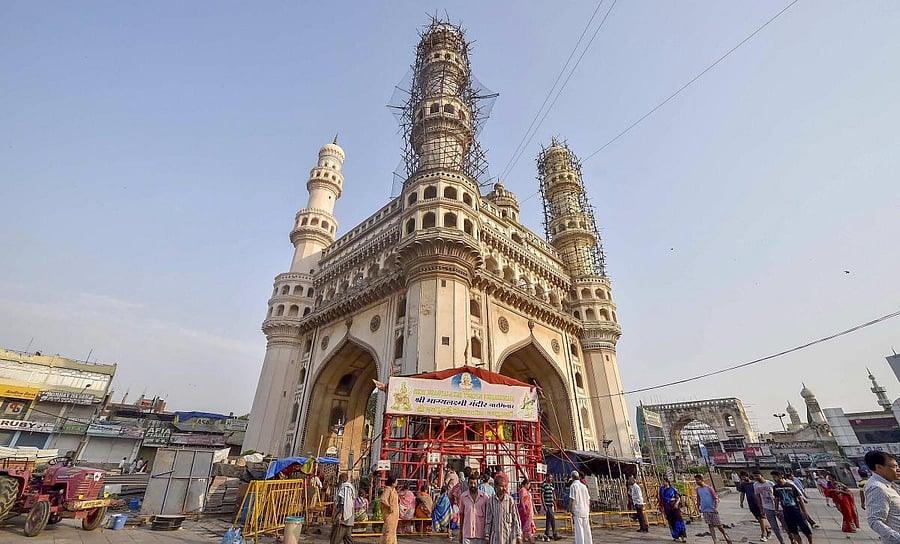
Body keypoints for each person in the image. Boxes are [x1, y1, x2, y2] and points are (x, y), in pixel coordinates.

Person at [863, 450, 900, 543]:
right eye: (894, 466)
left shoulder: (890, 485)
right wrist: (897, 538)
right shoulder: (877, 487)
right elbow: (874, 520)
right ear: (879, 467)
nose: (898, 469)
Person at [772, 471, 812, 544]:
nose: (774, 478)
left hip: (796, 511)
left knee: (806, 530)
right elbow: (776, 499)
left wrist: (804, 511)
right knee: (793, 531)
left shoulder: (791, 486)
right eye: (773, 477)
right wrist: (776, 510)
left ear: (781, 476)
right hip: (786, 512)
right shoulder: (776, 487)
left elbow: (799, 498)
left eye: (775, 477)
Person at [695, 474, 732, 544]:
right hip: (705, 509)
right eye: (696, 480)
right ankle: (715, 541)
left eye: (697, 480)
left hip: (712, 509)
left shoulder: (709, 488)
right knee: (710, 525)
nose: (696, 482)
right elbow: (698, 499)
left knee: (719, 525)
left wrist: (715, 508)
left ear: (701, 480)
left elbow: (716, 498)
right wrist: (698, 507)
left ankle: (725, 535)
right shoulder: (698, 489)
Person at [485, 472, 521, 544]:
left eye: (505, 486)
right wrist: (487, 536)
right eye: (501, 486)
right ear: (496, 486)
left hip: (509, 539)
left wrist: (518, 536)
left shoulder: (510, 501)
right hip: (495, 539)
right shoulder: (490, 501)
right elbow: (488, 521)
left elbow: (516, 519)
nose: (504, 489)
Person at [753, 471, 785, 544]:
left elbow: (777, 495)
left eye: (757, 476)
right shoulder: (756, 485)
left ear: (761, 475)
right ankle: (782, 541)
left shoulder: (770, 483)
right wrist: (761, 509)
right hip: (767, 508)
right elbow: (758, 497)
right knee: (774, 527)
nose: (756, 478)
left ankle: (792, 539)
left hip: (778, 507)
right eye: (755, 476)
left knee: (785, 525)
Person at [739, 471, 771, 542]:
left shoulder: (755, 484)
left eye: (744, 477)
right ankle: (768, 531)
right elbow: (742, 494)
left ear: (748, 476)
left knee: (761, 518)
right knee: (760, 520)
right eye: (742, 477)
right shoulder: (743, 485)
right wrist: (741, 502)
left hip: (759, 503)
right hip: (751, 504)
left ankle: (763, 534)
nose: (743, 478)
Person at [459, 474, 488, 544]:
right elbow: (461, 514)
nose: (473, 485)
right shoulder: (463, 497)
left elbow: (488, 516)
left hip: (481, 534)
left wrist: (488, 534)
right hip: (467, 534)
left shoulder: (485, 497)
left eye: (475, 483)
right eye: (471, 483)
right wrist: (460, 532)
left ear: (478, 484)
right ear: (468, 484)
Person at [659, 478, 687, 543]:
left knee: (679, 520)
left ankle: (683, 536)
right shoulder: (661, 489)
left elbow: (678, 497)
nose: (663, 482)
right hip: (667, 506)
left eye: (663, 481)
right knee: (671, 521)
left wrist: (677, 503)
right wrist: (661, 507)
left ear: (667, 482)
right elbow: (661, 499)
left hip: (674, 505)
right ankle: (675, 536)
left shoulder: (673, 489)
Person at [568, 471, 592, 544]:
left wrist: (570, 509)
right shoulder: (584, 486)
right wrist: (588, 509)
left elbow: (572, 499)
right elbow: (589, 499)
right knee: (587, 529)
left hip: (578, 510)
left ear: (572, 478)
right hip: (585, 510)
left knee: (579, 530)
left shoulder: (573, 486)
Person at [331, 473, 356, 544]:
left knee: (335, 538)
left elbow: (344, 502)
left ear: (341, 480)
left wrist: (340, 514)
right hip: (349, 516)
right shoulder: (351, 487)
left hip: (343, 516)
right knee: (347, 538)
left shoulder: (345, 487)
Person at [380, 475, 399, 544]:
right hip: (389, 514)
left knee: (392, 531)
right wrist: (389, 506)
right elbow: (383, 499)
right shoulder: (388, 489)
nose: (397, 482)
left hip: (394, 515)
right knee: (388, 531)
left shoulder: (394, 490)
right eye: (396, 481)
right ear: (392, 483)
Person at [541, 474, 560, 540]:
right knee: (552, 519)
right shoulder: (544, 484)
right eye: (550, 477)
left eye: (552, 477)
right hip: (547, 504)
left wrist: (555, 501)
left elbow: (553, 492)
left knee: (549, 520)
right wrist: (544, 505)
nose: (551, 478)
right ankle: (555, 534)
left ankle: (547, 534)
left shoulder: (551, 484)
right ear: (547, 477)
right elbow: (542, 495)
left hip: (551, 504)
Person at [517, 479, 536, 544]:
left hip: (528, 509)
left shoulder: (526, 491)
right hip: (524, 510)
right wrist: (524, 508)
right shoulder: (522, 490)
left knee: (527, 524)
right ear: (526, 484)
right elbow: (522, 500)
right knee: (526, 525)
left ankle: (525, 537)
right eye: (528, 485)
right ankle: (529, 538)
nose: (529, 486)